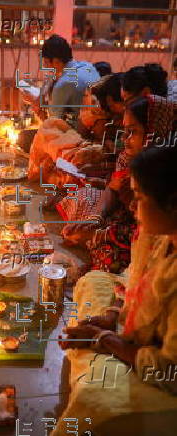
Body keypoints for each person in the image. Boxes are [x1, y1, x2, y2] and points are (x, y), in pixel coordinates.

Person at [59, 145, 177, 394]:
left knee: (93, 399)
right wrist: (112, 316)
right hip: (140, 338)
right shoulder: (164, 240)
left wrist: (104, 339)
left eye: (139, 197)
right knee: (92, 280)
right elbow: (135, 281)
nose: (132, 206)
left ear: (173, 204)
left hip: (160, 362)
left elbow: (170, 371)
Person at [60, 95, 176, 275]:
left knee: (111, 259)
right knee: (84, 199)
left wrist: (96, 235)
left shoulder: (165, 174)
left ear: (155, 131)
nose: (126, 140)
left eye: (133, 132)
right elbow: (112, 188)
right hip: (123, 223)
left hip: (143, 236)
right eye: (125, 132)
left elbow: (144, 230)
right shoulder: (127, 158)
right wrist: (95, 220)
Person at [36, 34, 100, 129]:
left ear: (56, 60)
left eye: (46, 62)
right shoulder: (87, 67)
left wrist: (38, 111)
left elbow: (54, 127)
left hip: (80, 135)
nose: (46, 67)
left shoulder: (63, 84)